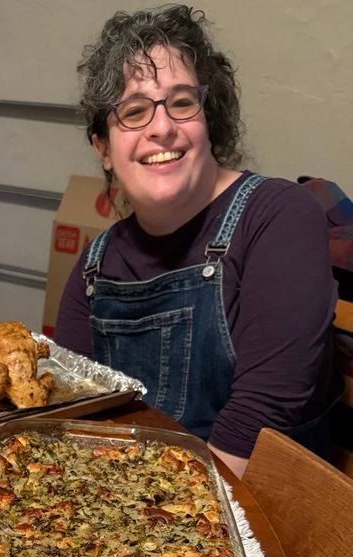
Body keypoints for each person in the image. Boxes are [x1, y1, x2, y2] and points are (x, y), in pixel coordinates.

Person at [55, 4, 340, 477]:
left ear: (210, 119)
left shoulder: (279, 216)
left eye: (182, 102)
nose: (161, 127)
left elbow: (261, 417)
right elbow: (76, 421)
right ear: (103, 149)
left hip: (249, 516)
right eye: (133, 111)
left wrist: (147, 530)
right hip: (127, 506)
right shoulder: (94, 268)